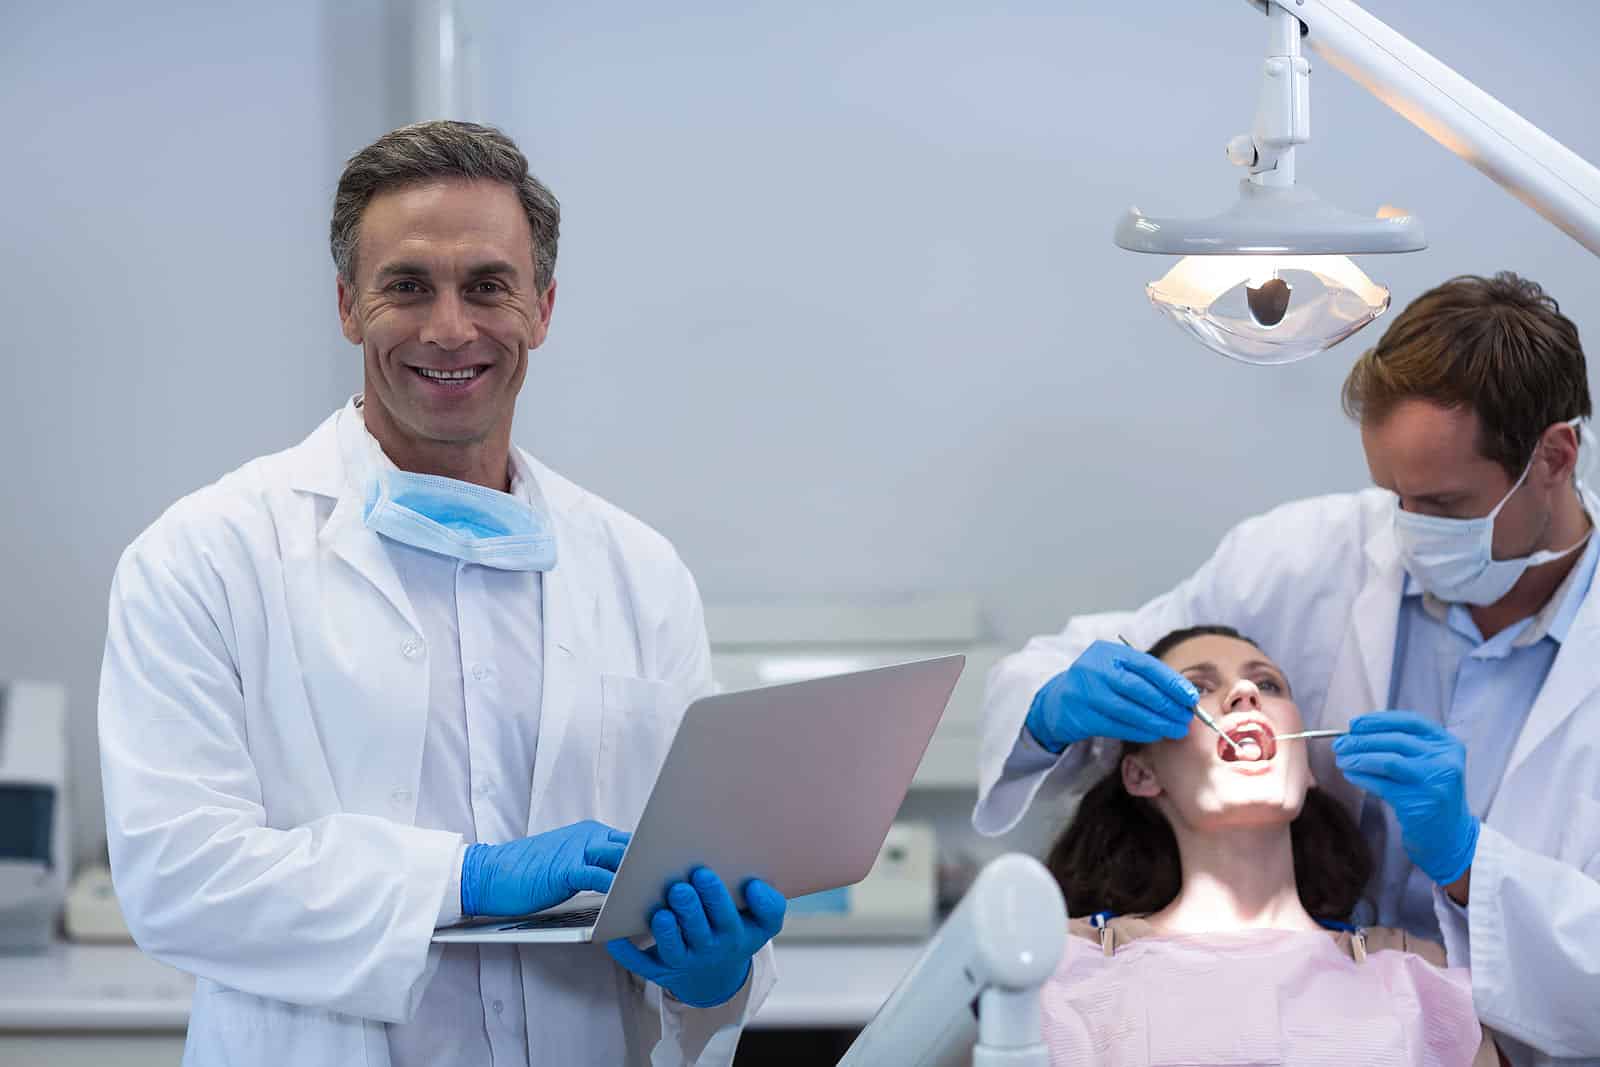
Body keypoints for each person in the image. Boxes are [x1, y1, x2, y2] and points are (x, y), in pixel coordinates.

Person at [98, 120, 784, 1067]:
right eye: (407, 286)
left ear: (542, 307)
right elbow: (175, 876)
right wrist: (461, 878)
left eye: (489, 286)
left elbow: (690, 857)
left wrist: (715, 975)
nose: (451, 328)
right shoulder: (204, 556)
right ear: (348, 305)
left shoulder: (640, 570)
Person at [976, 273, 1600, 1066]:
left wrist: (1475, 865)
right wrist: (1051, 708)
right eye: (1392, 495)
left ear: (1554, 454)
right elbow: (1070, 663)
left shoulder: (1416, 993)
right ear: (1139, 774)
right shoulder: (1305, 560)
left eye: (1441, 505)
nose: (1408, 528)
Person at [1037, 626, 1498, 1067]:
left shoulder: (1419, 977)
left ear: (1308, 770)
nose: (1245, 693)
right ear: (1142, 774)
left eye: (1269, 685)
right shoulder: (1063, 967)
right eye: (1198, 687)